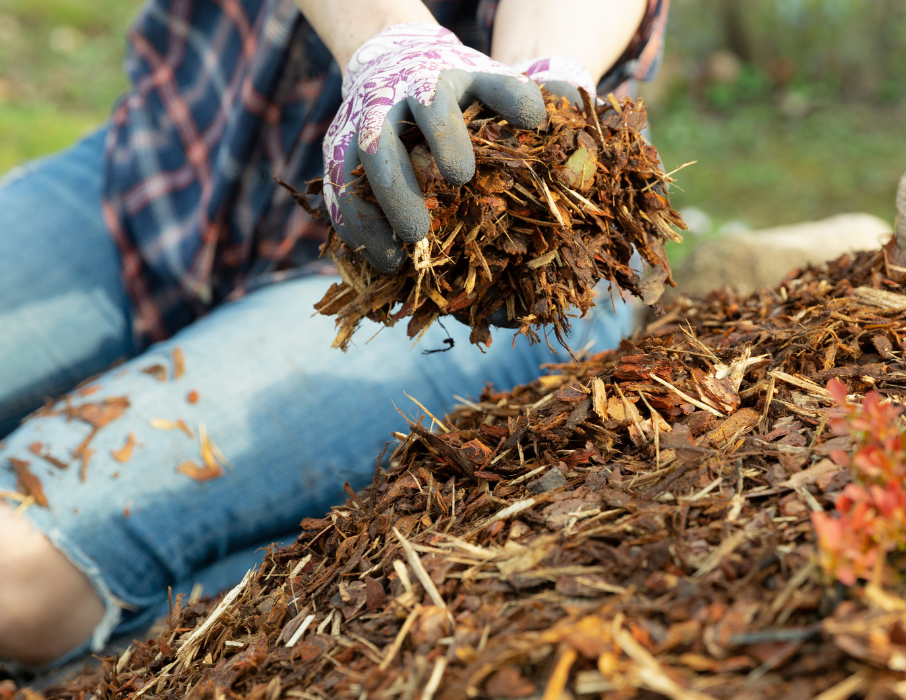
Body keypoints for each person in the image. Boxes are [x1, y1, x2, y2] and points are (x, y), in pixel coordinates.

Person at [0, 0, 668, 669]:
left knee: (15, 577)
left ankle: (263, 597)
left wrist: (543, 72)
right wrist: (390, 44)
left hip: (439, 274)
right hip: (174, 164)